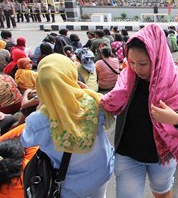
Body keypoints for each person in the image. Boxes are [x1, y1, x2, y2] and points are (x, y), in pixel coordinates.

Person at [100, 24, 178, 197]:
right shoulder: (127, 78)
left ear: (158, 57)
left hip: (162, 156)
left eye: (142, 63)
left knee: (162, 193)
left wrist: (177, 118)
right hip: (128, 154)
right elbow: (109, 101)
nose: (136, 69)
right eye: (132, 62)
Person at [20, 54, 115, 197]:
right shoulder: (95, 102)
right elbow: (112, 114)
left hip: (70, 184)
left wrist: (41, 105)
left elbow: (26, 141)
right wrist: (87, 93)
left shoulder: (37, 120)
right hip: (100, 172)